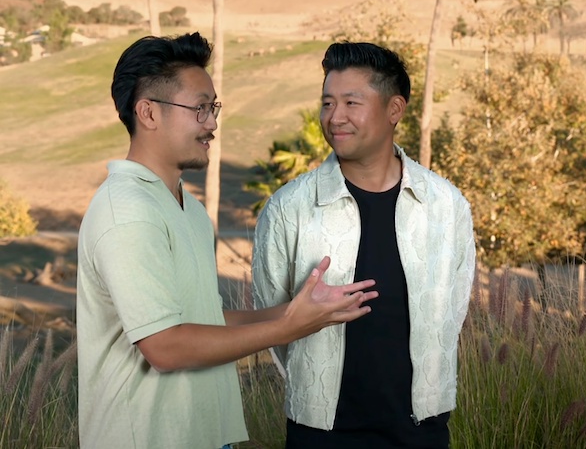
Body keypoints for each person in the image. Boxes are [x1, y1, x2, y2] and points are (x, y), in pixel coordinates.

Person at [77, 32, 378, 449]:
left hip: (203, 436)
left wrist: (300, 311)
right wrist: (287, 328)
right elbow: (165, 347)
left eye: (213, 108)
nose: (212, 123)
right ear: (148, 113)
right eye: (199, 108)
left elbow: (205, 321)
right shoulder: (127, 211)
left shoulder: (187, 207)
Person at [252, 41, 476, 448]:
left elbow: (451, 312)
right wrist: (313, 394)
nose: (334, 117)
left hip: (422, 432)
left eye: (351, 103)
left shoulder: (446, 205)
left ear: (394, 109)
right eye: (327, 103)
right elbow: (272, 319)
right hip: (319, 434)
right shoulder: (289, 208)